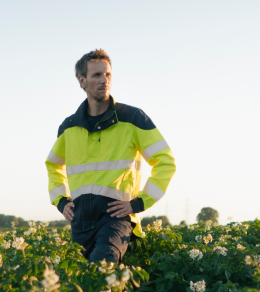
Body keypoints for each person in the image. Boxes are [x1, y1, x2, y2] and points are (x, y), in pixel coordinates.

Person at [44, 49, 176, 262]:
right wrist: (61, 201)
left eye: (107, 74)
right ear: (82, 80)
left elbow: (166, 161)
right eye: (96, 75)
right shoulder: (69, 126)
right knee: (80, 277)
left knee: (103, 264)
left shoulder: (133, 118)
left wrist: (138, 203)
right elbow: (53, 165)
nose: (104, 80)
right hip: (80, 222)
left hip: (117, 218)